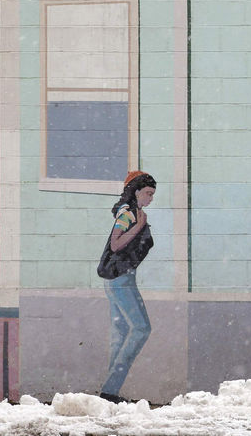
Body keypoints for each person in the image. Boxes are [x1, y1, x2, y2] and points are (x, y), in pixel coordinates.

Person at [96, 170, 156, 404]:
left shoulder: (133, 212)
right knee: (141, 328)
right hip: (121, 280)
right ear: (137, 191)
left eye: (153, 194)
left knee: (120, 332)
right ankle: (109, 390)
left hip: (117, 280)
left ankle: (108, 393)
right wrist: (138, 227)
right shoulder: (127, 213)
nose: (151, 198)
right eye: (148, 193)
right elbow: (116, 243)